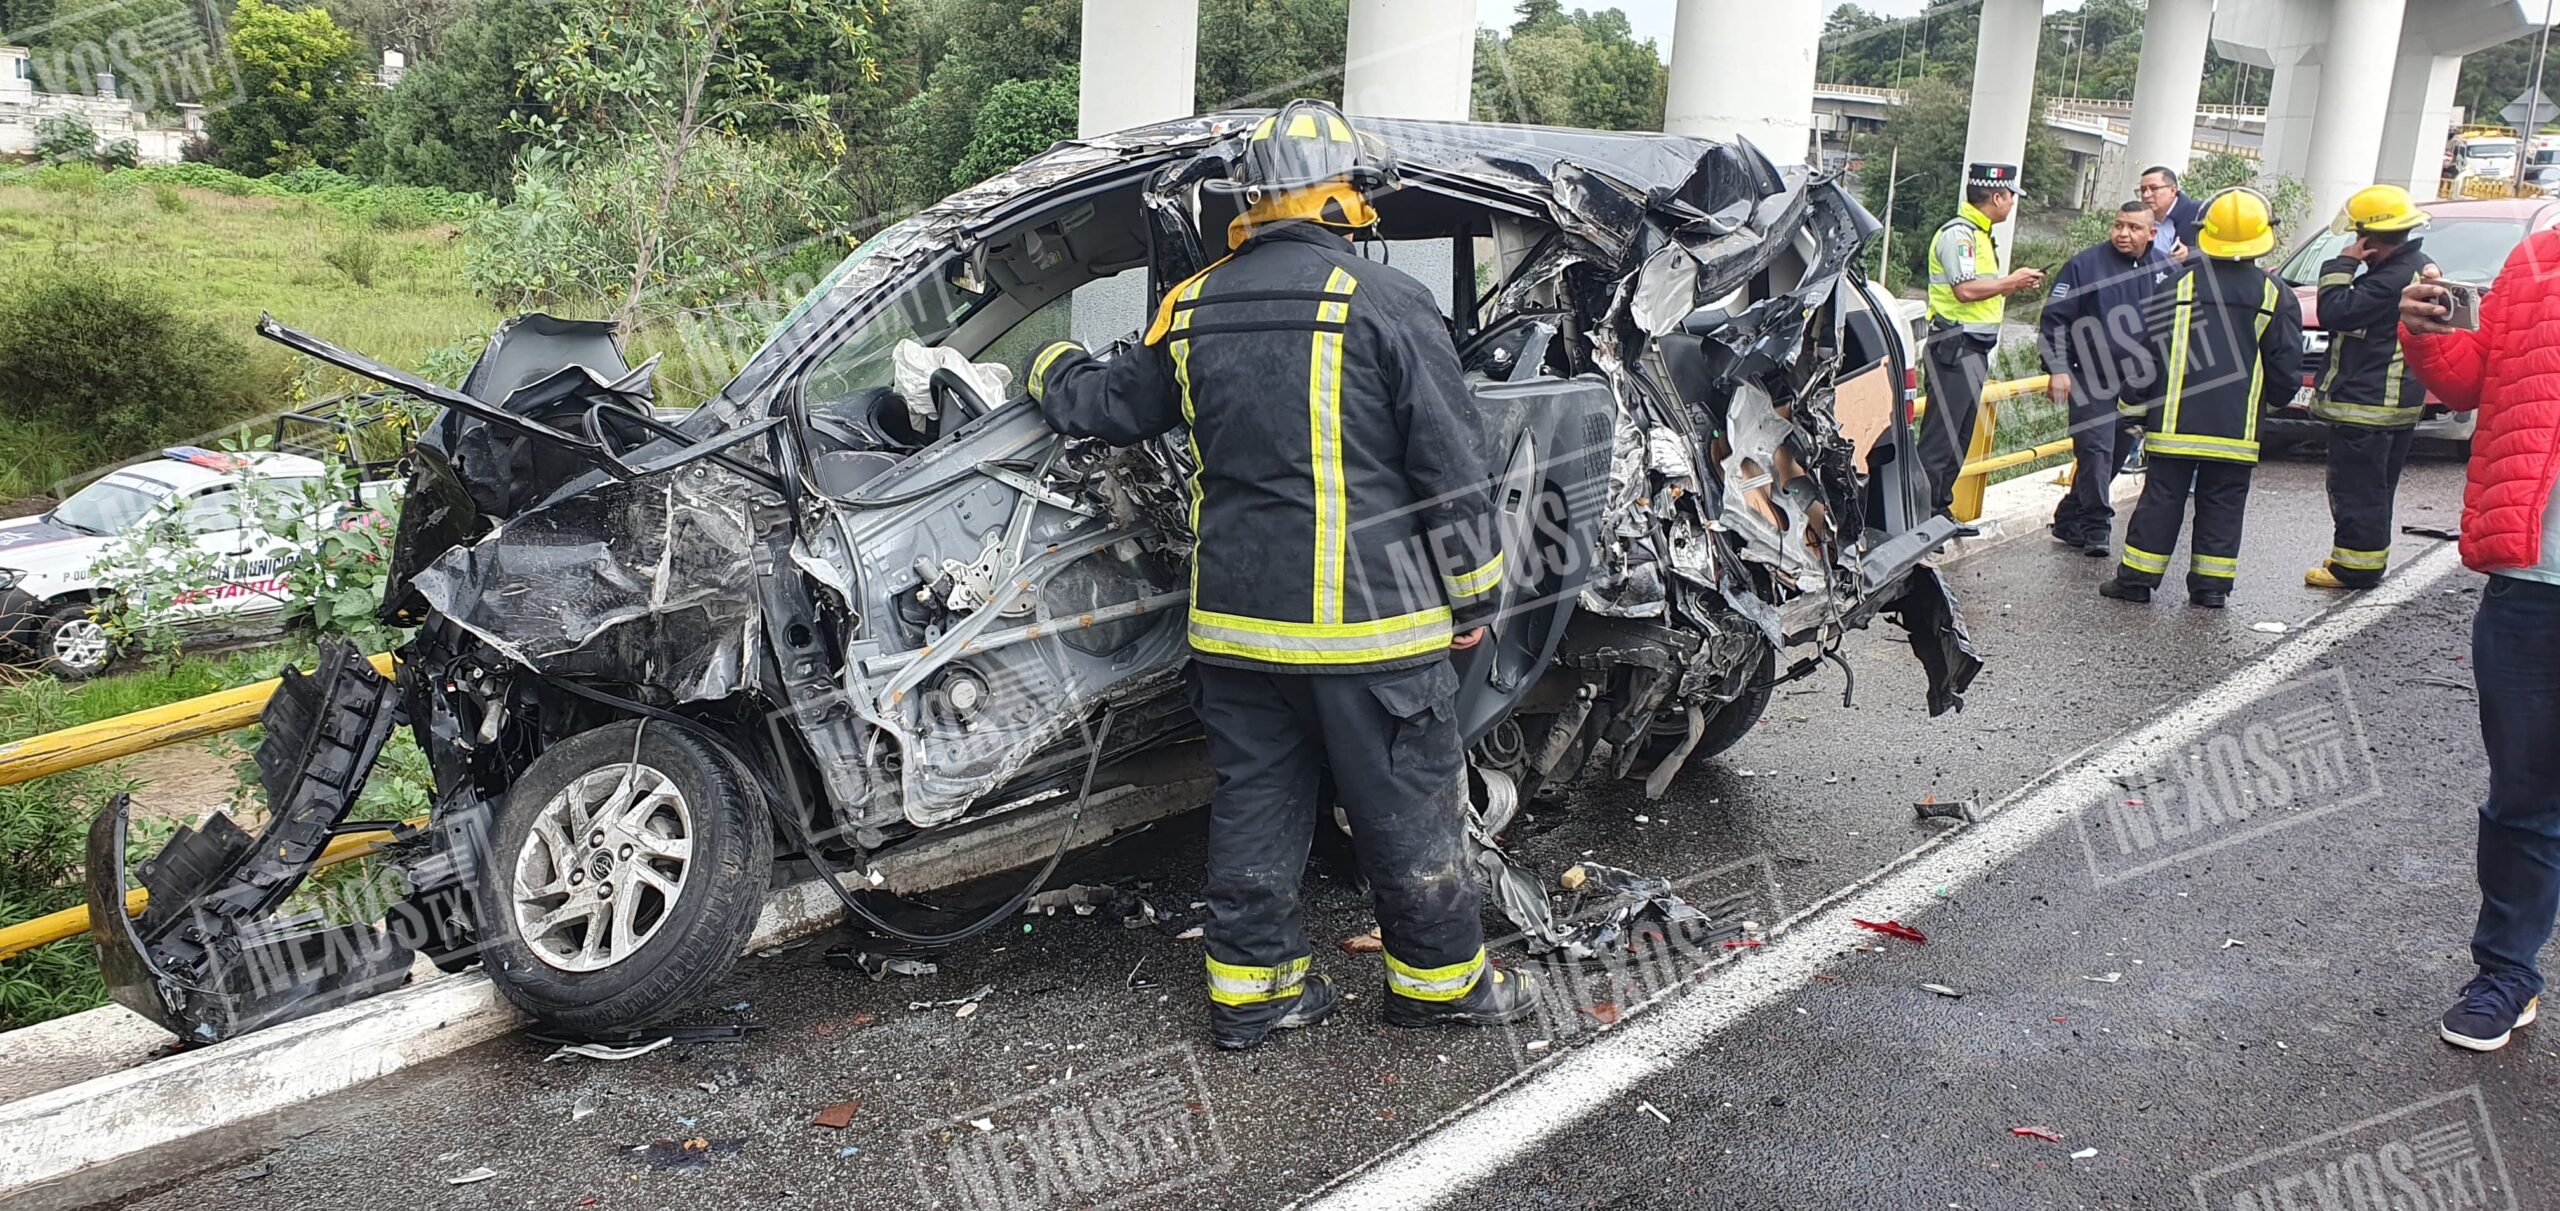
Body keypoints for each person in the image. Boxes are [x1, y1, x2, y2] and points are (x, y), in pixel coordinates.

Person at [1025, 98, 1535, 1051]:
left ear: (1250, 202)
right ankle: (1437, 986)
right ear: (1345, 196)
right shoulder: (1385, 302)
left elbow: (1113, 405)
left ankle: (1255, 997)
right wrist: (1474, 594)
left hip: (1237, 634)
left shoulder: (1191, 306)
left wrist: (1049, 365)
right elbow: (1452, 467)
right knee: (1407, 808)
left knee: (1256, 806)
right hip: (1373, 634)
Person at [2398, 232, 2560, 1053]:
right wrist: (2426, 331)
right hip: (2533, 582)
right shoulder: (2536, 263)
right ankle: (2507, 972)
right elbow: (2469, 380)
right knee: (2525, 798)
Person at [2098, 187, 2303, 608]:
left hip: (2173, 426)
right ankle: (2210, 589)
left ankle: (2136, 581)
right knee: (2224, 505)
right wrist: (2269, 403)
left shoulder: (2179, 284)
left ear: (2206, 233)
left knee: (2161, 500)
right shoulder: (2274, 293)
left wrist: (2132, 409)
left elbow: (2147, 353)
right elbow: (2285, 371)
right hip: (2236, 431)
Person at [2306, 184, 2434, 589]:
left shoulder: (2391, 278)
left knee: (2357, 489)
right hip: (2390, 403)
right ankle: (2362, 558)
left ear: (2370, 239)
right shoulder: (2412, 267)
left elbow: (2334, 311)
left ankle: (2354, 568)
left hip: (2369, 404)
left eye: (2358, 236)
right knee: (2375, 489)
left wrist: (2342, 264)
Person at [2038, 200, 2172, 555]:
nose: (2123, 233)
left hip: (2139, 384)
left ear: (2152, 233)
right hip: (2090, 377)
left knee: (2114, 455)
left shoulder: (2166, 270)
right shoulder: (2085, 265)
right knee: (2095, 449)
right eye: (2118, 225)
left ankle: (2070, 517)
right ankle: (2098, 526)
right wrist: (2058, 368)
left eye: (2134, 228)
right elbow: (2055, 319)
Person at [1918, 162, 2047, 518]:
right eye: (2010, 197)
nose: (2012, 204)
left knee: (1960, 439)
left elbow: (1980, 292)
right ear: (1996, 197)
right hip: (1954, 348)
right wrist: (2011, 282)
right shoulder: (1959, 236)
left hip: (1972, 350)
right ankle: (1920, 518)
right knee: (1940, 440)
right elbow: (1965, 290)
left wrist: (2012, 285)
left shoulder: (1979, 233)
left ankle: (1940, 511)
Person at [2138, 165, 2204, 262]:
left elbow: (2223, 251)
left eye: (2154, 188)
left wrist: (2190, 254)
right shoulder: (2139, 219)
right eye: (2143, 190)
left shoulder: (2201, 211)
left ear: (2172, 191)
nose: (2146, 195)